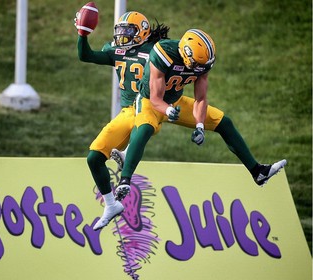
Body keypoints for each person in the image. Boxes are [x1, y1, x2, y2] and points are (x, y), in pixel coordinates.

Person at [114, 28, 287, 201]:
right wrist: (168, 110)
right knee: (144, 129)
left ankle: (258, 171)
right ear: (186, 54)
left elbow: (201, 98)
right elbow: (155, 98)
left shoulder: (201, 62)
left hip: (176, 100)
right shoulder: (163, 53)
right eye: (197, 65)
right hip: (149, 101)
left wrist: (200, 126)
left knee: (223, 122)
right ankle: (125, 181)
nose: (200, 69)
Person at [75, 11, 169, 230]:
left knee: (144, 126)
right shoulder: (117, 50)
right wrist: (82, 34)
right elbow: (86, 55)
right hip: (127, 111)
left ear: (142, 31)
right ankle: (111, 204)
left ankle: (126, 168)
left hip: (149, 107)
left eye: (128, 31)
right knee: (94, 157)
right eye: (120, 31)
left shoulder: (156, 51)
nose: (122, 36)